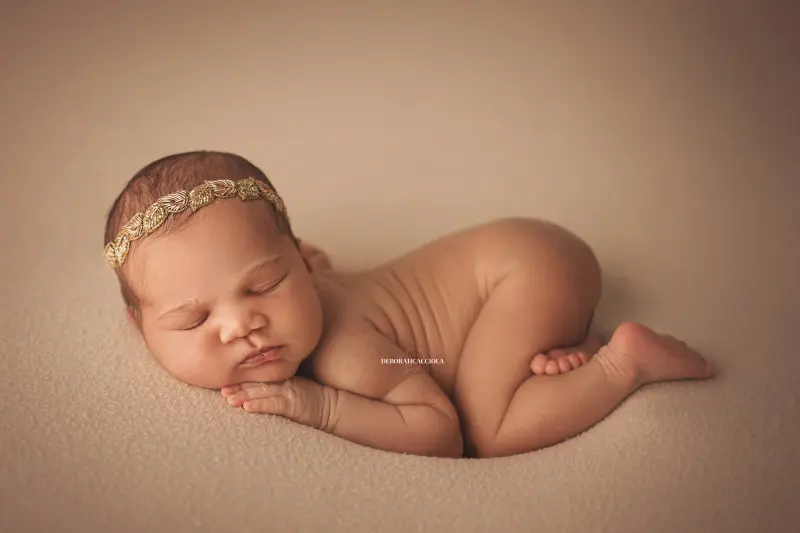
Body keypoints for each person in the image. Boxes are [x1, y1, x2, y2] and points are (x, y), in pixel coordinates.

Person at [103, 150, 715, 459]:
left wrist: (318, 406)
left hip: (524, 270)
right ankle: (566, 342)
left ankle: (624, 361)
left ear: (299, 258)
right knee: (502, 362)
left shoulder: (348, 353)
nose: (243, 324)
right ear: (140, 327)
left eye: (264, 286)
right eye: (193, 318)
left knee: (491, 426)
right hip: (515, 260)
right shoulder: (312, 276)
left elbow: (438, 428)